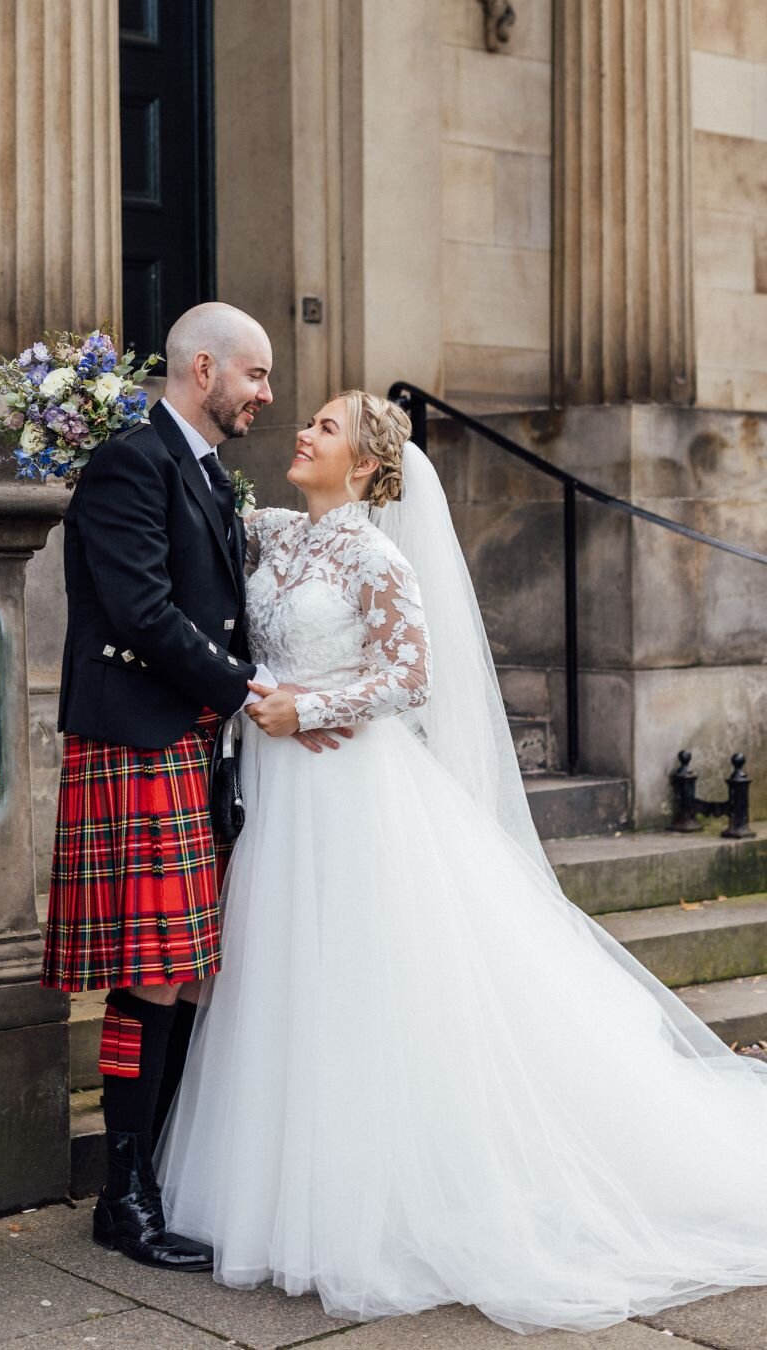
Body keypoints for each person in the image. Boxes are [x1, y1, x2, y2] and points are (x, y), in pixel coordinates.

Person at [158, 390, 767, 1333]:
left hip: (352, 790)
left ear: (362, 465)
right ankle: (293, 1185)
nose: (306, 433)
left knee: (365, 982)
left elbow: (410, 677)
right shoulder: (270, 533)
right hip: (279, 792)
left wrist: (306, 710)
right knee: (290, 980)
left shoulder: (374, 554)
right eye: (309, 419)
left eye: (326, 427)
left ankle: (380, 1204)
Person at [41, 302, 346, 1271]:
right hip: (139, 736)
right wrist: (250, 693)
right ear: (202, 368)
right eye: (254, 377)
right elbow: (140, 607)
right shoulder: (134, 461)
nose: (266, 395)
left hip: (187, 739)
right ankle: (124, 1197)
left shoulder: (205, 473)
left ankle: (152, 1171)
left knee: (182, 968)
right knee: (152, 970)